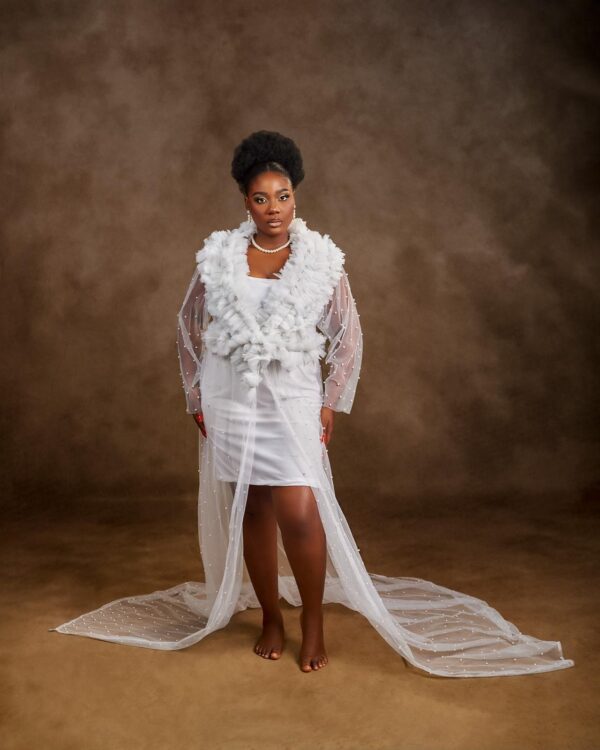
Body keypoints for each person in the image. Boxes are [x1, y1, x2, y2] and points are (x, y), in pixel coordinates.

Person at [50, 131, 575, 679]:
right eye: (261, 198)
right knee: (252, 508)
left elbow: (348, 334)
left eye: (283, 196)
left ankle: (314, 620)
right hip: (231, 397)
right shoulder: (220, 257)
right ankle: (271, 618)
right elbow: (188, 324)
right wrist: (196, 394)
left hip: (292, 396)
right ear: (246, 202)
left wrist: (330, 400)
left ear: (295, 197)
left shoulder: (320, 260)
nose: (273, 208)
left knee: (299, 509)